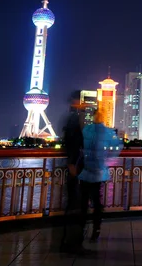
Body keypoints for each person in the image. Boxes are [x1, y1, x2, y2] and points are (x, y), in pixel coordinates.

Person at [78, 109, 123, 240]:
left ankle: (85, 229)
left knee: (86, 202)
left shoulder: (87, 130)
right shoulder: (106, 131)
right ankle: (94, 229)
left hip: (89, 171)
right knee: (94, 201)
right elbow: (118, 145)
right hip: (95, 171)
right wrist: (107, 160)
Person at [60, 104, 85, 252]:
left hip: (76, 167)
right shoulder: (74, 121)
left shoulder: (72, 120)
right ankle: (72, 242)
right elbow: (74, 145)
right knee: (75, 204)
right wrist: (71, 163)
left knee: (75, 204)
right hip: (75, 169)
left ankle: (72, 241)